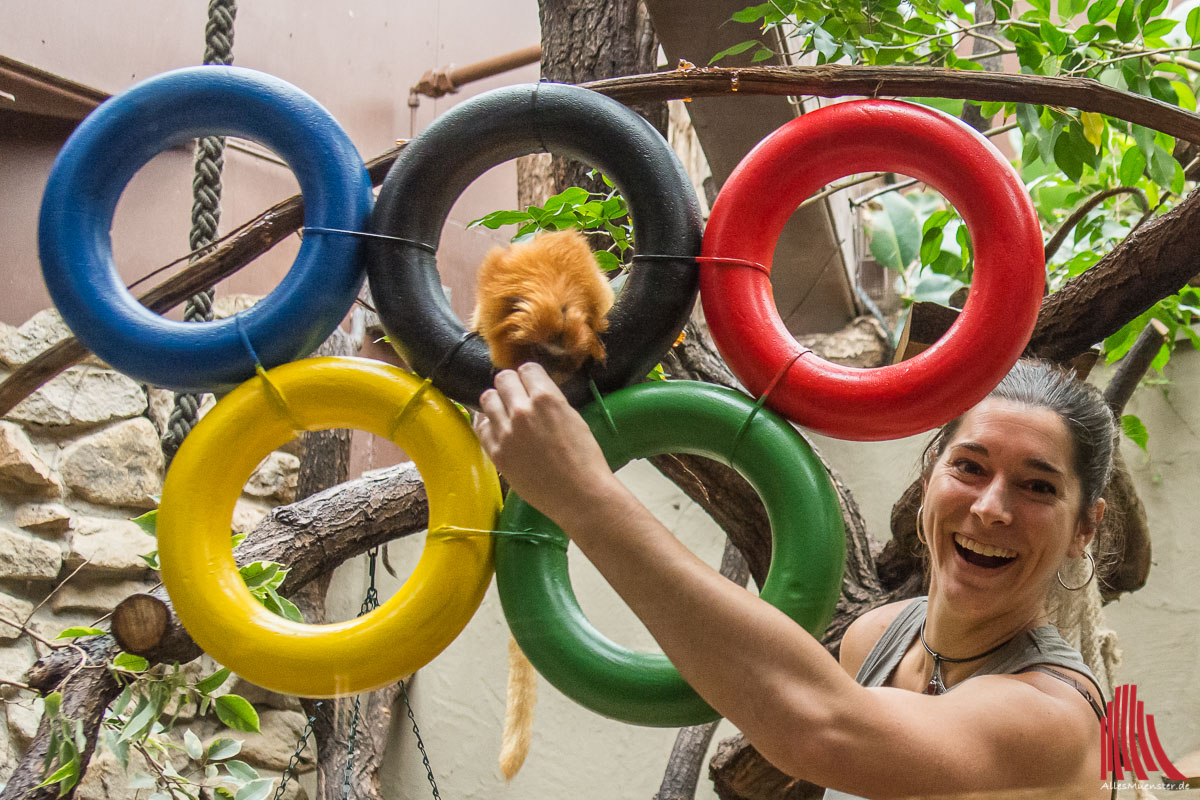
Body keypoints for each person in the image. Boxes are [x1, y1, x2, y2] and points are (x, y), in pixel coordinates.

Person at [473, 359, 1116, 800]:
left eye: (1038, 486)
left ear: (1084, 528)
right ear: (928, 481)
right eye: (970, 467)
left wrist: (582, 493)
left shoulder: (1055, 719)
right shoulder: (878, 636)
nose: (991, 508)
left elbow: (818, 727)